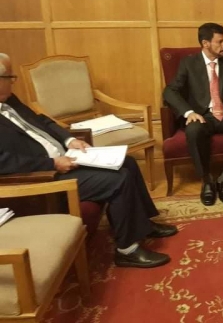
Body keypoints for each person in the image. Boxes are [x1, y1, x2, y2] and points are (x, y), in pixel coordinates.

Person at [0, 53, 177, 269]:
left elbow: (42, 121)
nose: (13, 81)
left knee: (128, 162)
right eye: (10, 77)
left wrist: (69, 139)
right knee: (118, 180)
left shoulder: (9, 100)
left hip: (66, 157)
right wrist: (52, 164)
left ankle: (144, 225)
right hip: (44, 177)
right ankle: (127, 250)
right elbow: (4, 162)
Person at [163, 23, 223, 206]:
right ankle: (207, 180)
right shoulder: (188, 64)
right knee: (193, 130)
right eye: (220, 42)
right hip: (201, 116)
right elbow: (170, 91)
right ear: (205, 43)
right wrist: (189, 112)